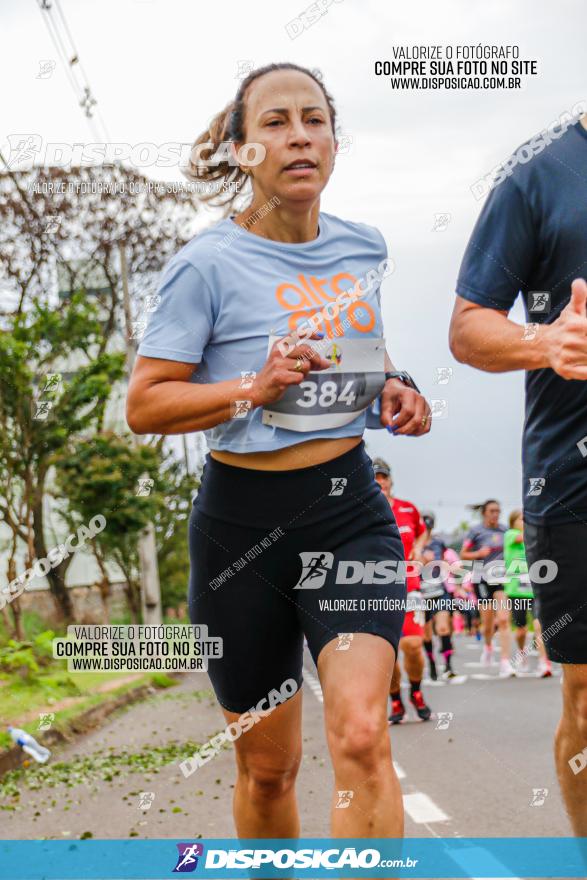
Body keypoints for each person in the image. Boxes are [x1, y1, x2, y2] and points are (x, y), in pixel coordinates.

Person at [126, 63, 431, 842]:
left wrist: (393, 387)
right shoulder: (205, 265)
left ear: (333, 139)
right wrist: (249, 390)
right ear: (239, 149)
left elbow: (363, 356)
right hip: (239, 529)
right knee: (270, 770)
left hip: (347, 517)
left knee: (362, 733)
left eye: (313, 119)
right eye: (273, 122)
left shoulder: (363, 247)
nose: (298, 135)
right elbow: (145, 403)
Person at [449, 108, 587, 833]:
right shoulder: (538, 173)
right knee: (586, 700)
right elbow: (468, 326)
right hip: (571, 481)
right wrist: (543, 341)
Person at [372, 459, 432, 722]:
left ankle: (416, 692)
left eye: (383, 477)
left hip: (409, 587)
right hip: (374, 590)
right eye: (374, 478)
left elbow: (422, 531)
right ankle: (395, 699)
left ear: (390, 480)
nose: (380, 482)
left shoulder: (408, 509)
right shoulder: (358, 509)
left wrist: (419, 549)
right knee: (387, 653)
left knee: (413, 644)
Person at [460, 500, 514, 677]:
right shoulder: (475, 531)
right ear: (484, 513)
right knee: (488, 622)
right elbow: (463, 554)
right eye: (492, 511)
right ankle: (488, 645)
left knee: (504, 619)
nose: (495, 514)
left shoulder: (505, 530)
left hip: (500, 579)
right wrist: (478, 554)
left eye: (498, 511)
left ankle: (505, 662)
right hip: (481, 579)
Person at [504, 510, 552, 678]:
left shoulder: (533, 538)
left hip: (534, 589)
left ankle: (543, 662)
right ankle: (522, 653)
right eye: (521, 519)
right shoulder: (511, 535)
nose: (524, 522)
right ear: (513, 522)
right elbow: (521, 537)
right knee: (521, 630)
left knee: (540, 625)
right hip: (516, 590)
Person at [421, 513, 457, 680]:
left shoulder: (438, 543)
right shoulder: (412, 543)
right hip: (420, 593)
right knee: (426, 634)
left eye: (429, 526)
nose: (427, 530)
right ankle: (432, 664)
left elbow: (444, 561)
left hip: (439, 590)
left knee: (443, 628)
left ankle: (448, 666)